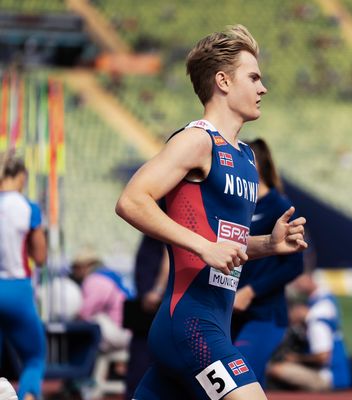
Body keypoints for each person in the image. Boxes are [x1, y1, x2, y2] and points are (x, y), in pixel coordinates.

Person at [115, 25, 307, 400]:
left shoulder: (247, 158)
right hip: (191, 325)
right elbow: (132, 201)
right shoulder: (198, 141)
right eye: (253, 77)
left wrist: (268, 243)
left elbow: (225, 244)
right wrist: (203, 247)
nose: (262, 88)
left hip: (213, 320)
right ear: (222, 81)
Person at [231, 138, 303, 387]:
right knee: (250, 385)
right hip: (230, 313)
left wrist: (251, 291)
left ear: (257, 166)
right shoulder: (236, 205)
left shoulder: (278, 206)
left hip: (264, 314)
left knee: (239, 379)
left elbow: (295, 265)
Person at [0, 152, 47, 400]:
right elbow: (40, 257)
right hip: (17, 289)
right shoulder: (28, 208)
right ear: (21, 177)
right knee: (34, 358)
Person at [267, 272, 352, 391]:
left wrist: (296, 358)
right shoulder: (322, 307)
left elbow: (323, 357)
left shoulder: (316, 322)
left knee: (273, 369)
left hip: (329, 378)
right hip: (336, 375)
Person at [125, 234, 169, 399]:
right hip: (146, 306)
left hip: (154, 306)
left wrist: (157, 291)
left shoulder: (166, 217)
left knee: (143, 364)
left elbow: (169, 255)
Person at [70, 248, 133, 353]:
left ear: (86, 266)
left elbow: (84, 312)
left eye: (76, 267)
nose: (74, 271)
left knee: (93, 320)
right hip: (129, 330)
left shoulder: (94, 279)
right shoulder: (110, 275)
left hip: (121, 332)